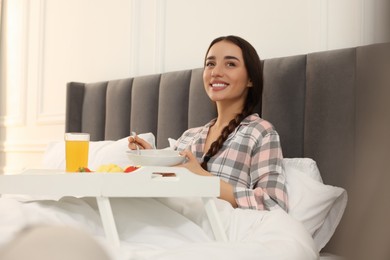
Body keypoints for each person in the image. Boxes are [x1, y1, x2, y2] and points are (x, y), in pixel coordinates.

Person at [128, 35, 288, 212]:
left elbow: (274, 204)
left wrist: (202, 178)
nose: (216, 72)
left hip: (217, 230)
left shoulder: (260, 132)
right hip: (172, 221)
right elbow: (166, 187)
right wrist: (153, 159)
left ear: (250, 79)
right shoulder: (189, 137)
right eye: (210, 64)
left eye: (230, 64)